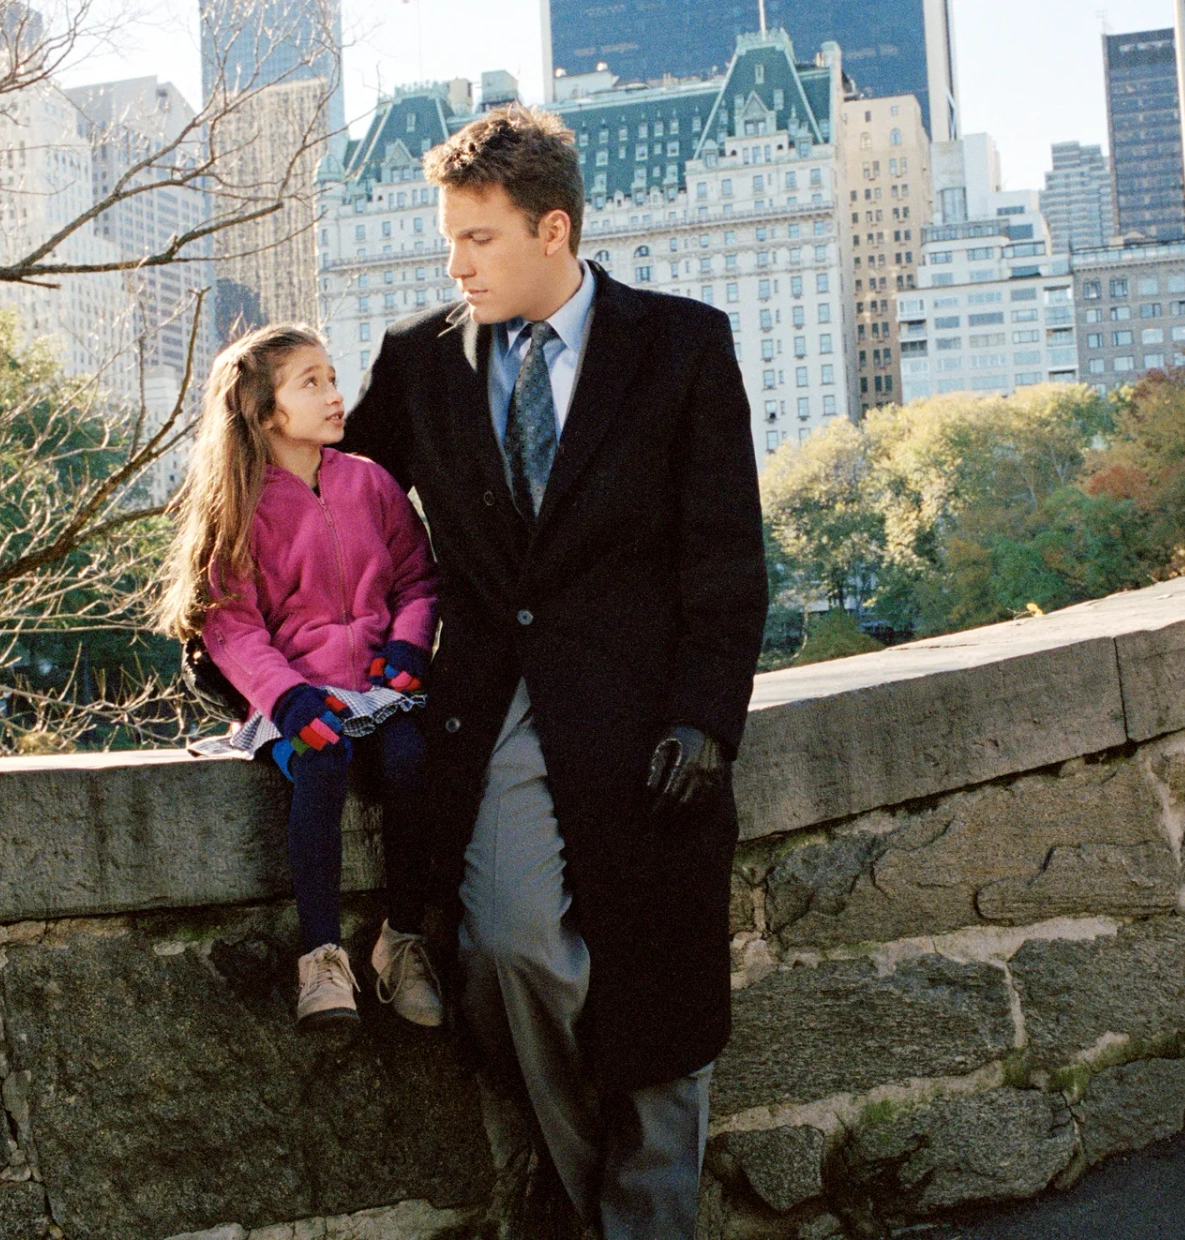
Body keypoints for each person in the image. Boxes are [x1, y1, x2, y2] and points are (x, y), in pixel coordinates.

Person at [342, 107, 768, 1237]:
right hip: (494, 714)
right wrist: (240, 642)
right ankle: (596, 1212)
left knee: (663, 1005)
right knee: (512, 946)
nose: (456, 262)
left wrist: (707, 718)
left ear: (554, 230)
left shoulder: (681, 347)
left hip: (648, 719)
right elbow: (334, 516)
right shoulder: (415, 363)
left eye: (478, 238)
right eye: (449, 239)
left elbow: (724, 555)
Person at [158, 324, 445, 1030]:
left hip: (380, 689)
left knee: (415, 764)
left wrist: (409, 649)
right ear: (263, 410)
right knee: (325, 761)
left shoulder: (371, 482)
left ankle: (401, 943)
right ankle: (321, 960)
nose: (334, 394)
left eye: (332, 376)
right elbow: (230, 624)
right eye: (309, 382)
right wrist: (285, 696)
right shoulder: (242, 505)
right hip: (290, 698)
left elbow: (417, 579)